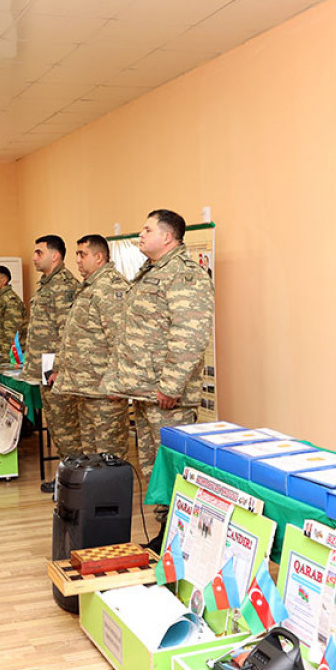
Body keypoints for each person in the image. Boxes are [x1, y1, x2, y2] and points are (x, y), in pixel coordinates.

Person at [104, 210, 213, 505]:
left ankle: (176, 533)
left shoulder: (184, 274)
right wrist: (119, 381)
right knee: (155, 471)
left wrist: (171, 385)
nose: (140, 235)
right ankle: (163, 531)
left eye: (147, 230)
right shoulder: (150, 271)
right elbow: (131, 332)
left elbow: (189, 335)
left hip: (166, 396)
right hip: (145, 392)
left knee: (175, 470)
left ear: (167, 237)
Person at [54, 234, 130, 464]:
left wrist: (116, 381)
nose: (77, 260)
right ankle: (94, 499)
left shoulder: (110, 287)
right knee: (91, 454)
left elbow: (121, 338)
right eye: (77, 254)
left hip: (105, 390)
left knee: (110, 455)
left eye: (82, 254)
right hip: (85, 387)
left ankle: (112, 499)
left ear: (99, 257)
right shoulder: (90, 287)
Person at [23, 235, 81, 492]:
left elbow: (67, 332)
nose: (34, 257)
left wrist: (58, 368)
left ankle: (73, 483)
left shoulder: (64, 286)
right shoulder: (47, 283)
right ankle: (66, 478)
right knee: (57, 428)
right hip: (46, 370)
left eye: (39, 252)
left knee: (67, 429)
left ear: (55, 256)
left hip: (58, 372)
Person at [0, 265, 27, 365]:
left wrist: (4, 361)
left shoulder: (11, 300)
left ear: (4, 280)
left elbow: (12, 335)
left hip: (4, 358)